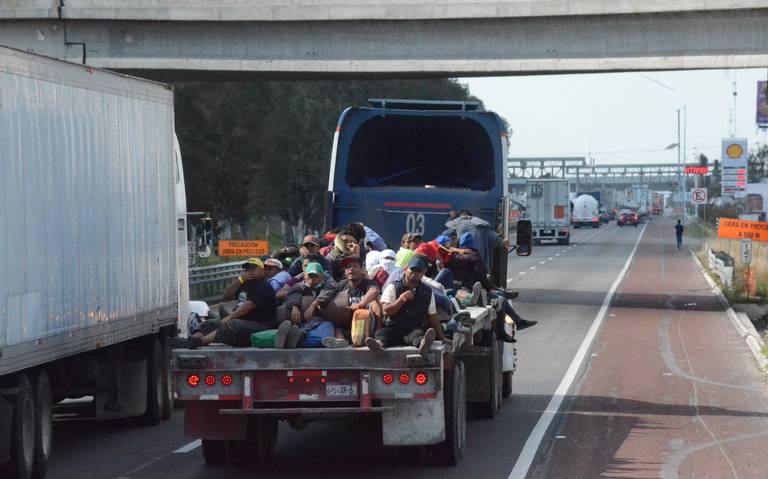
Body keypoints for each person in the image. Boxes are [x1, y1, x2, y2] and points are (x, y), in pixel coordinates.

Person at [186, 258, 278, 349]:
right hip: (245, 322)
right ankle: (192, 339)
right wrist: (240, 280)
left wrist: (228, 318)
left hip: (262, 326)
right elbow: (227, 296)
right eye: (248, 269)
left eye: (254, 268)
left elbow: (247, 306)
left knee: (232, 325)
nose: (250, 271)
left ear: (262, 270)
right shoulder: (246, 284)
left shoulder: (264, 286)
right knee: (210, 323)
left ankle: (201, 341)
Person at [366, 256, 444, 357]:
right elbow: (386, 311)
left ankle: (423, 345)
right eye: (412, 269)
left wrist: (442, 338)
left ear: (423, 273)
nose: (414, 273)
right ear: (406, 269)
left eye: (418, 271)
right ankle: (379, 346)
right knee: (382, 333)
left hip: (414, 329)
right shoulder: (393, 287)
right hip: (394, 328)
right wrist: (402, 298)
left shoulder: (427, 292)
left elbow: (433, 317)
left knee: (418, 334)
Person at [323, 256, 382, 347]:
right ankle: (340, 341)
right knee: (337, 326)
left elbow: (374, 291)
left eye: (354, 266)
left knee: (375, 301)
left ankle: (378, 336)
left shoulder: (368, 283)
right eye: (348, 267)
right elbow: (329, 295)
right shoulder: (342, 285)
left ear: (362, 270)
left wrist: (360, 304)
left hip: (367, 326)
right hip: (349, 326)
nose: (351, 269)